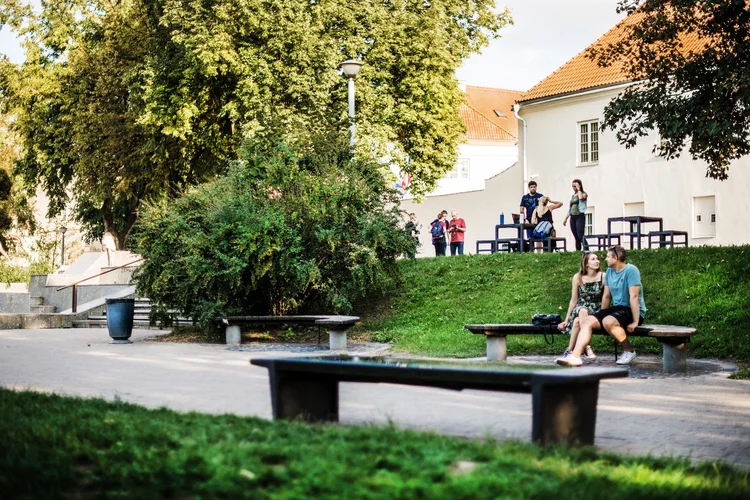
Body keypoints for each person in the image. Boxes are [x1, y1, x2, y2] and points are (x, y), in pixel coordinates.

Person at [558, 245, 646, 367]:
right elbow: (607, 297)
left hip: (632, 310)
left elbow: (634, 297)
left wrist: (635, 321)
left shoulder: (631, 270)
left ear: (615, 258)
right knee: (587, 320)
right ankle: (575, 356)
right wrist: (601, 315)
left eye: (608, 256)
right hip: (617, 309)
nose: (605, 259)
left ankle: (629, 350)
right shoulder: (610, 272)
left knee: (608, 321)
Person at [556, 252, 602, 364]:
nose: (597, 261)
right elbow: (574, 300)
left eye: (597, 259)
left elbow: (606, 297)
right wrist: (566, 320)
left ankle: (570, 351)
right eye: (593, 259)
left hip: (597, 309)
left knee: (577, 322)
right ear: (586, 263)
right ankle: (586, 346)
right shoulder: (578, 277)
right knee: (582, 310)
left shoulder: (603, 276)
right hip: (581, 308)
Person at [562, 179, 589, 251]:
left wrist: (579, 189)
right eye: (573, 186)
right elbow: (570, 208)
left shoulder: (584, 194)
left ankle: (586, 249)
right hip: (573, 216)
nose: (573, 188)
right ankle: (578, 251)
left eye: (575, 186)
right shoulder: (573, 196)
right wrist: (566, 218)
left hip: (579, 215)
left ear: (579, 185)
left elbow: (581, 198)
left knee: (580, 234)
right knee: (575, 236)